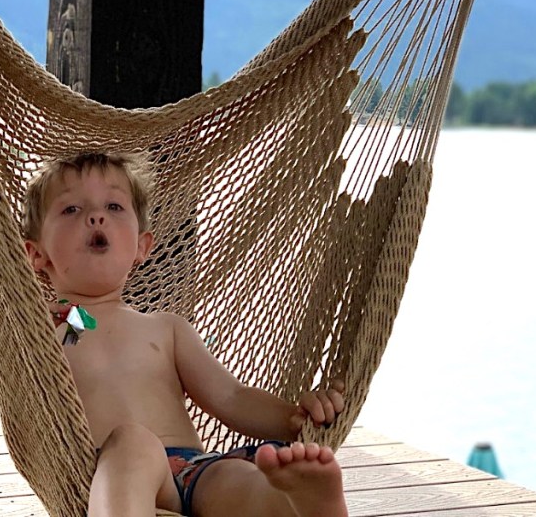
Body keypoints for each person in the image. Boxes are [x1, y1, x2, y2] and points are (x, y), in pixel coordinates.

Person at [22, 151, 348, 517]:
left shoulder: (165, 328)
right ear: (37, 255)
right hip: (108, 473)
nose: (96, 216)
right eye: (71, 211)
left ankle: (300, 506)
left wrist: (291, 418)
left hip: (194, 470)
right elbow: (51, 360)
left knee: (236, 477)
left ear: (142, 247)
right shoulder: (60, 326)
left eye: (114, 207)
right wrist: (59, 315)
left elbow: (231, 397)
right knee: (132, 442)